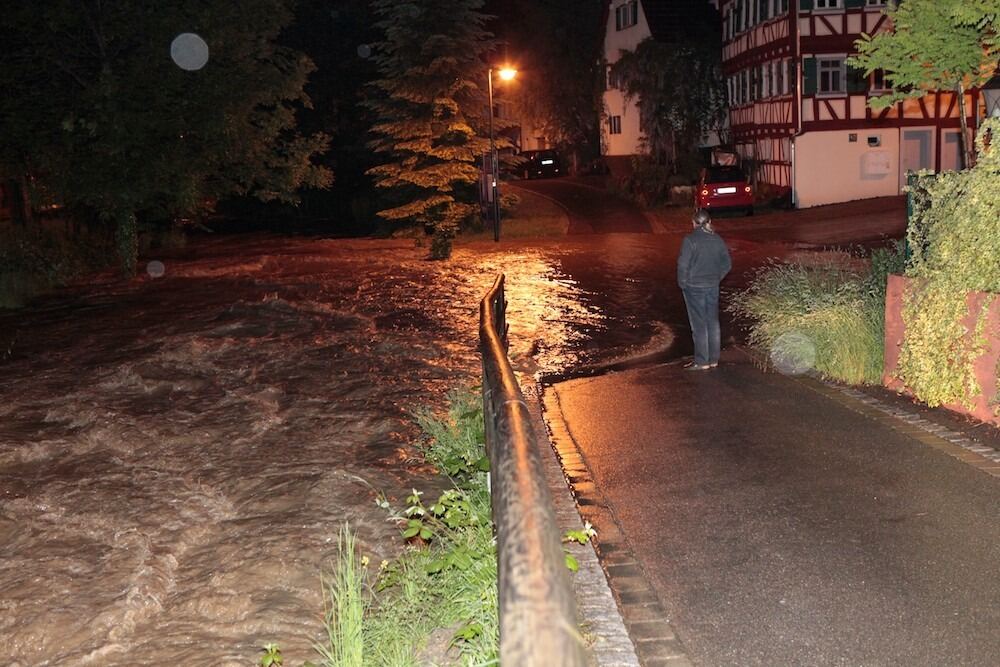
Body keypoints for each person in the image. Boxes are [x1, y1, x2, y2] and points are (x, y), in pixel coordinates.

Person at [677, 209, 731, 370]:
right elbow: (727, 264)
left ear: (694, 223)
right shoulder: (717, 239)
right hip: (712, 286)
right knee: (712, 322)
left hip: (694, 287)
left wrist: (683, 283)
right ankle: (713, 359)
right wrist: (717, 278)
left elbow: (682, 265)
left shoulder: (690, 240)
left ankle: (701, 361)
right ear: (709, 221)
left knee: (699, 324)